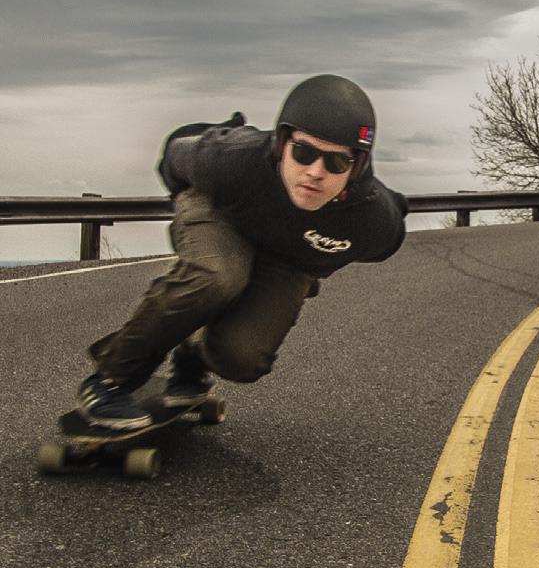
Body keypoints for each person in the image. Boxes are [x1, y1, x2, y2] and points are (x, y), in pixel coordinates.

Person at [76, 74, 408, 429]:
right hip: (222, 211)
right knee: (218, 275)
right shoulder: (232, 160)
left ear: (356, 168)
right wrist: (189, 218)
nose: (315, 172)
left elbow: (385, 240)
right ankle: (110, 380)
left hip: (287, 254)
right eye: (304, 152)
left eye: (336, 163)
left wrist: (308, 272)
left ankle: (192, 356)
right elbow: (174, 157)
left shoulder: (372, 222)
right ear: (282, 144)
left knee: (244, 358)